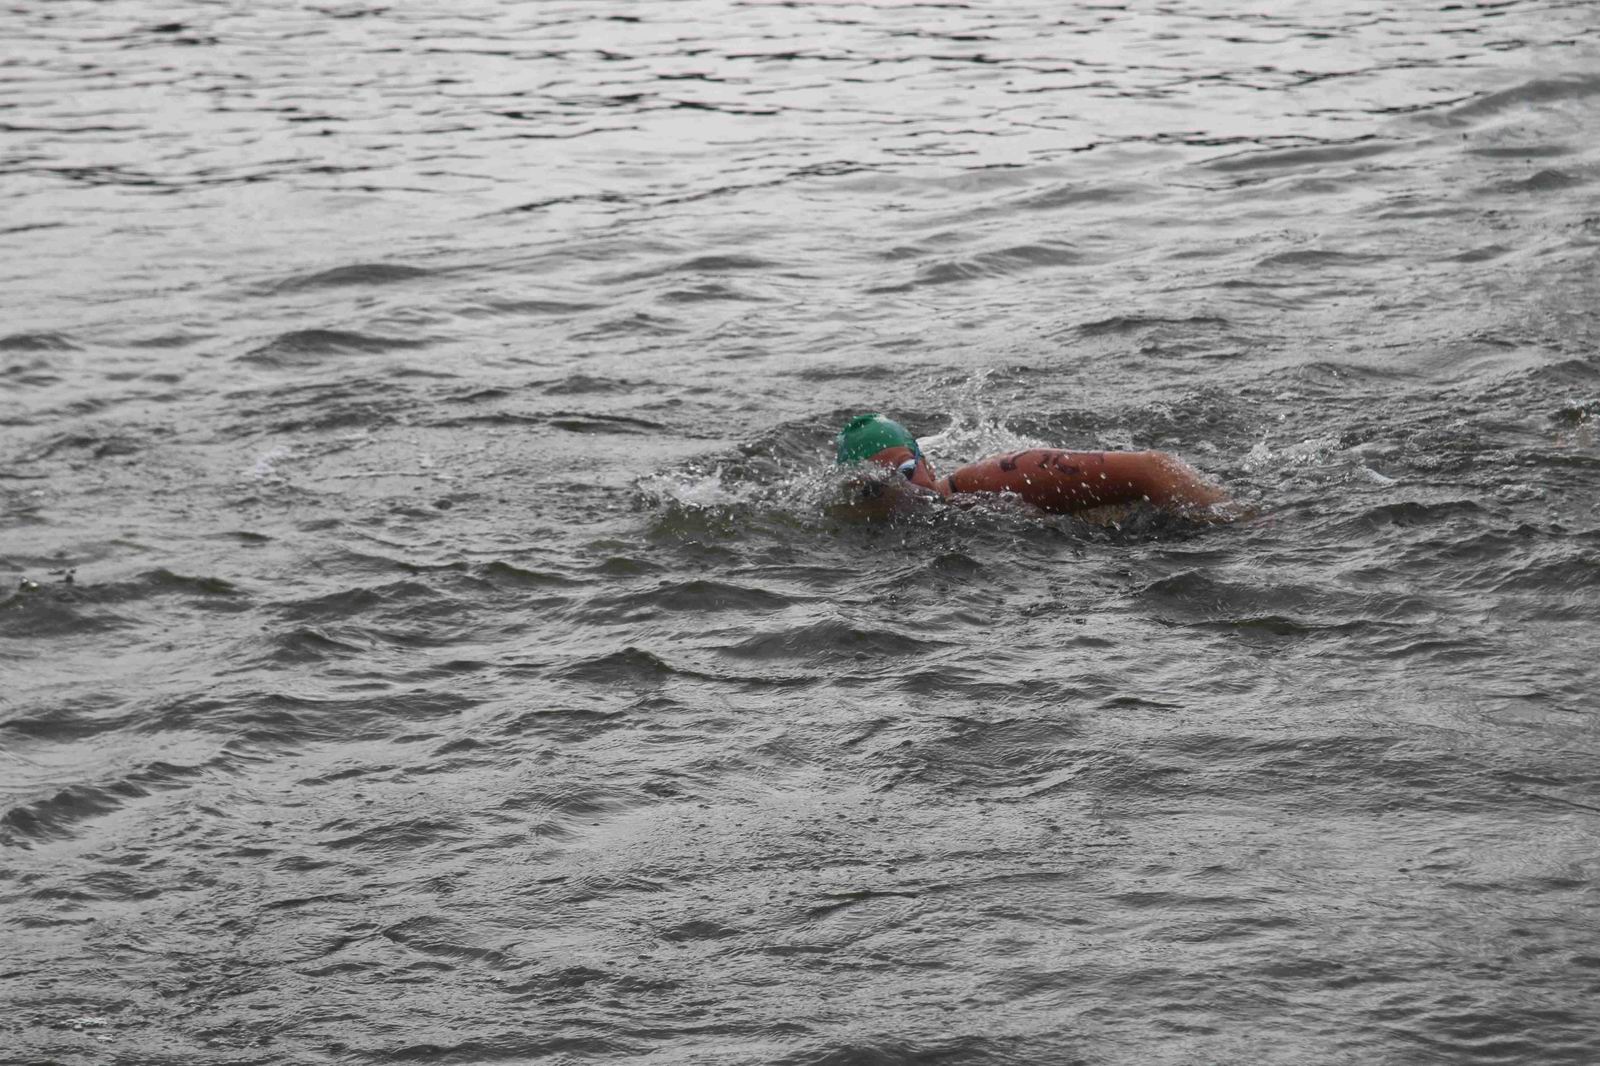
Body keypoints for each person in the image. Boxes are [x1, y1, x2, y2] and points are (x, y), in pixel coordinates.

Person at [835, 413, 1229, 516]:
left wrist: (1240, 525)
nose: (903, 490)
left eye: (906, 472)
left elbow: (1154, 468)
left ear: (929, 465)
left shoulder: (1001, 479)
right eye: (876, 486)